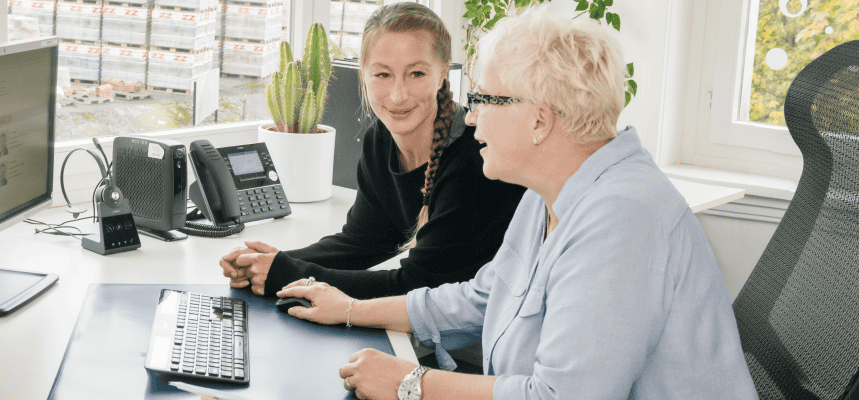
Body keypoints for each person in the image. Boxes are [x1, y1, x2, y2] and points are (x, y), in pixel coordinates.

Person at [274, 7, 758, 400]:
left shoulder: (623, 218)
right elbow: (481, 298)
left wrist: (409, 384)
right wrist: (353, 308)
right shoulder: (547, 193)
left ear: (539, 120)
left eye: (484, 98)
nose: (471, 117)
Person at [220, 2, 526, 299]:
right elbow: (363, 241)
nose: (397, 95)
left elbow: (417, 284)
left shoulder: (474, 159)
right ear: (363, 73)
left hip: (488, 337)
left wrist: (288, 273)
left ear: (443, 70)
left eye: (416, 73)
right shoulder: (379, 139)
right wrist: (272, 261)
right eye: (382, 74)